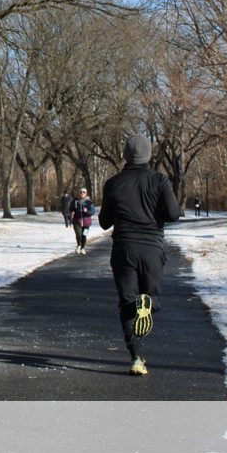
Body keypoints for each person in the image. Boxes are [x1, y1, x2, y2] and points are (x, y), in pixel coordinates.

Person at [98, 133, 181, 376]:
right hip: (151, 248)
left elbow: (104, 222)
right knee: (151, 297)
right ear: (148, 155)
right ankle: (149, 303)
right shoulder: (159, 180)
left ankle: (136, 357)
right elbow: (173, 214)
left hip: (124, 248)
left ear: (125, 155)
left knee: (127, 302)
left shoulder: (113, 183)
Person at [69, 187, 95, 254]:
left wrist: (86, 212)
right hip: (77, 221)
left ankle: (83, 248)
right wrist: (72, 212)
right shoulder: (75, 201)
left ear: (86, 193)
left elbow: (92, 212)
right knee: (78, 234)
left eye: (84, 192)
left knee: (84, 235)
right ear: (79, 193)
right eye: (81, 192)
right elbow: (71, 208)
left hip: (86, 222)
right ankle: (78, 246)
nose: (82, 193)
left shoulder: (89, 202)